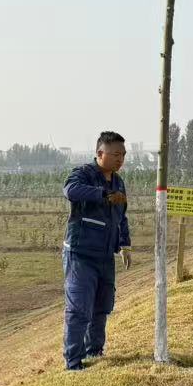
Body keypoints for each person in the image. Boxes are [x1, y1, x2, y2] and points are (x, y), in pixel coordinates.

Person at [62, 131, 132, 371]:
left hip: (105, 255)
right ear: (100, 153)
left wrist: (124, 244)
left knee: (102, 306)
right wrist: (102, 194)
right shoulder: (84, 174)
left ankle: (95, 351)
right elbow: (70, 190)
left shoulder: (118, 182)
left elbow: (121, 216)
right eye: (115, 154)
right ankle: (73, 362)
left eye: (123, 155)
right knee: (79, 307)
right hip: (81, 254)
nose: (120, 159)